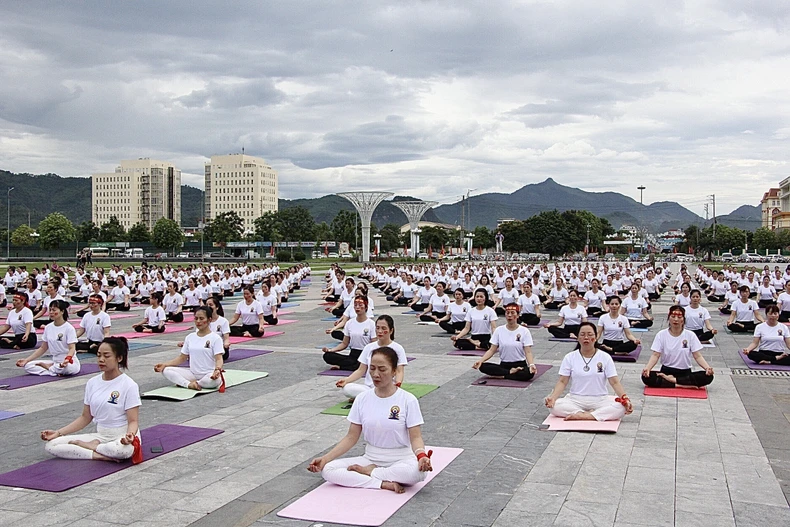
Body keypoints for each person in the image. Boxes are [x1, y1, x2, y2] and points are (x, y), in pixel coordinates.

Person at [309, 346, 431, 493]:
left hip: (401, 459)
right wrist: (325, 458)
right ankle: (382, 483)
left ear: (394, 371)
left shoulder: (408, 400)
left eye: (382, 369)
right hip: (371, 458)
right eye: (372, 368)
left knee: (418, 473)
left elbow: (416, 437)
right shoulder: (362, 399)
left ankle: (371, 473)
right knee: (329, 469)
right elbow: (351, 437)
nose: (375, 374)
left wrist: (421, 456)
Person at [39, 337, 141, 461]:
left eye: (106, 356)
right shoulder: (92, 383)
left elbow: (133, 421)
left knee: (123, 451)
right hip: (101, 435)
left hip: (121, 436)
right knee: (52, 445)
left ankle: (94, 447)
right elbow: (85, 417)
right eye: (99, 355)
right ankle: (98, 454)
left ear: (119, 358)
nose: (101, 360)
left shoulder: (129, 385)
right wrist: (58, 433)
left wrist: (129, 436)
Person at [544, 322, 633, 421]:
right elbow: (562, 381)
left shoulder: (605, 357)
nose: (586, 337)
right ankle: (591, 414)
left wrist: (625, 398)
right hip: (575, 399)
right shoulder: (570, 357)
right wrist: (553, 398)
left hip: (600, 399)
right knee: (555, 406)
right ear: (577, 337)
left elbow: (614, 381)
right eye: (582, 335)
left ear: (595, 337)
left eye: (590, 334)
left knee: (620, 407)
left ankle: (584, 416)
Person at [642, 305, 714, 389]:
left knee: (708, 377)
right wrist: (647, 368)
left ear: (683, 319)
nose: (676, 319)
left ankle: (674, 381)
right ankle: (681, 384)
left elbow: (697, 356)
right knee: (646, 377)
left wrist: (707, 368)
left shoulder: (690, 335)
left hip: (685, 372)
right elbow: (655, 355)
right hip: (666, 372)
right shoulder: (661, 334)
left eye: (679, 317)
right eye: (673, 316)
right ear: (669, 318)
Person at [336, 315, 407, 400]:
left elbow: (399, 371)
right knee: (347, 388)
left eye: (383, 328)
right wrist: (346, 380)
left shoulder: (398, 348)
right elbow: (361, 370)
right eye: (377, 328)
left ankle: (368, 398)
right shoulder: (368, 347)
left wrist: (397, 384)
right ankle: (369, 397)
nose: (380, 331)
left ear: (391, 330)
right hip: (369, 388)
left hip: (387, 387)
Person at [154, 306, 225, 390]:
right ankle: (188, 384)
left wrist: (217, 370)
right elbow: (182, 358)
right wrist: (164, 364)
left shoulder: (215, 338)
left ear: (209, 320)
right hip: (192, 374)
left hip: (209, 374)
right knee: (166, 370)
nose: (198, 321)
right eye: (196, 318)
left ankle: (195, 383)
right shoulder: (190, 337)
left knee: (214, 381)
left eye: (201, 318)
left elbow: (219, 359)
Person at [473, 303, 537, 382]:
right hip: (504, 365)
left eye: (512, 313)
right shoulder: (499, 330)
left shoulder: (524, 331)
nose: (510, 315)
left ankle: (503, 375)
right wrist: (480, 361)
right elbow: (491, 350)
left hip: (519, 365)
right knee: (483, 366)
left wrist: (531, 364)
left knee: (528, 373)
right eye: (507, 313)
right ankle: (509, 373)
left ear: (517, 315)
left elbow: (528, 352)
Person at [15, 300, 78, 376]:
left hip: (68, 362)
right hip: (55, 361)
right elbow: (43, 348)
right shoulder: (48, 327)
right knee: (28, 366)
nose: (51, 312)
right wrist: (26, 360)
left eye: (54, 310)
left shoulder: (69, 328)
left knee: (66, 369)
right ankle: (53, 371)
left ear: (62, 311)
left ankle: (53, 369)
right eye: (50, 309)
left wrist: (67, 359)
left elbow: (72, 348)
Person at [323, 296, 375, 371]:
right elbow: (344, 344)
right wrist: (331, 350)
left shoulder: (371, 324)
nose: (357, 307)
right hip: (353, 355)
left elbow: (374, 345)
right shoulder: (349, 323)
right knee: (327, 356)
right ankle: (355, 366)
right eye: (356, 305)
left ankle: (344, 367)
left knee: (365, 364)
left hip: (366, 355)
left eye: (360, 305)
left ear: (366, 307)